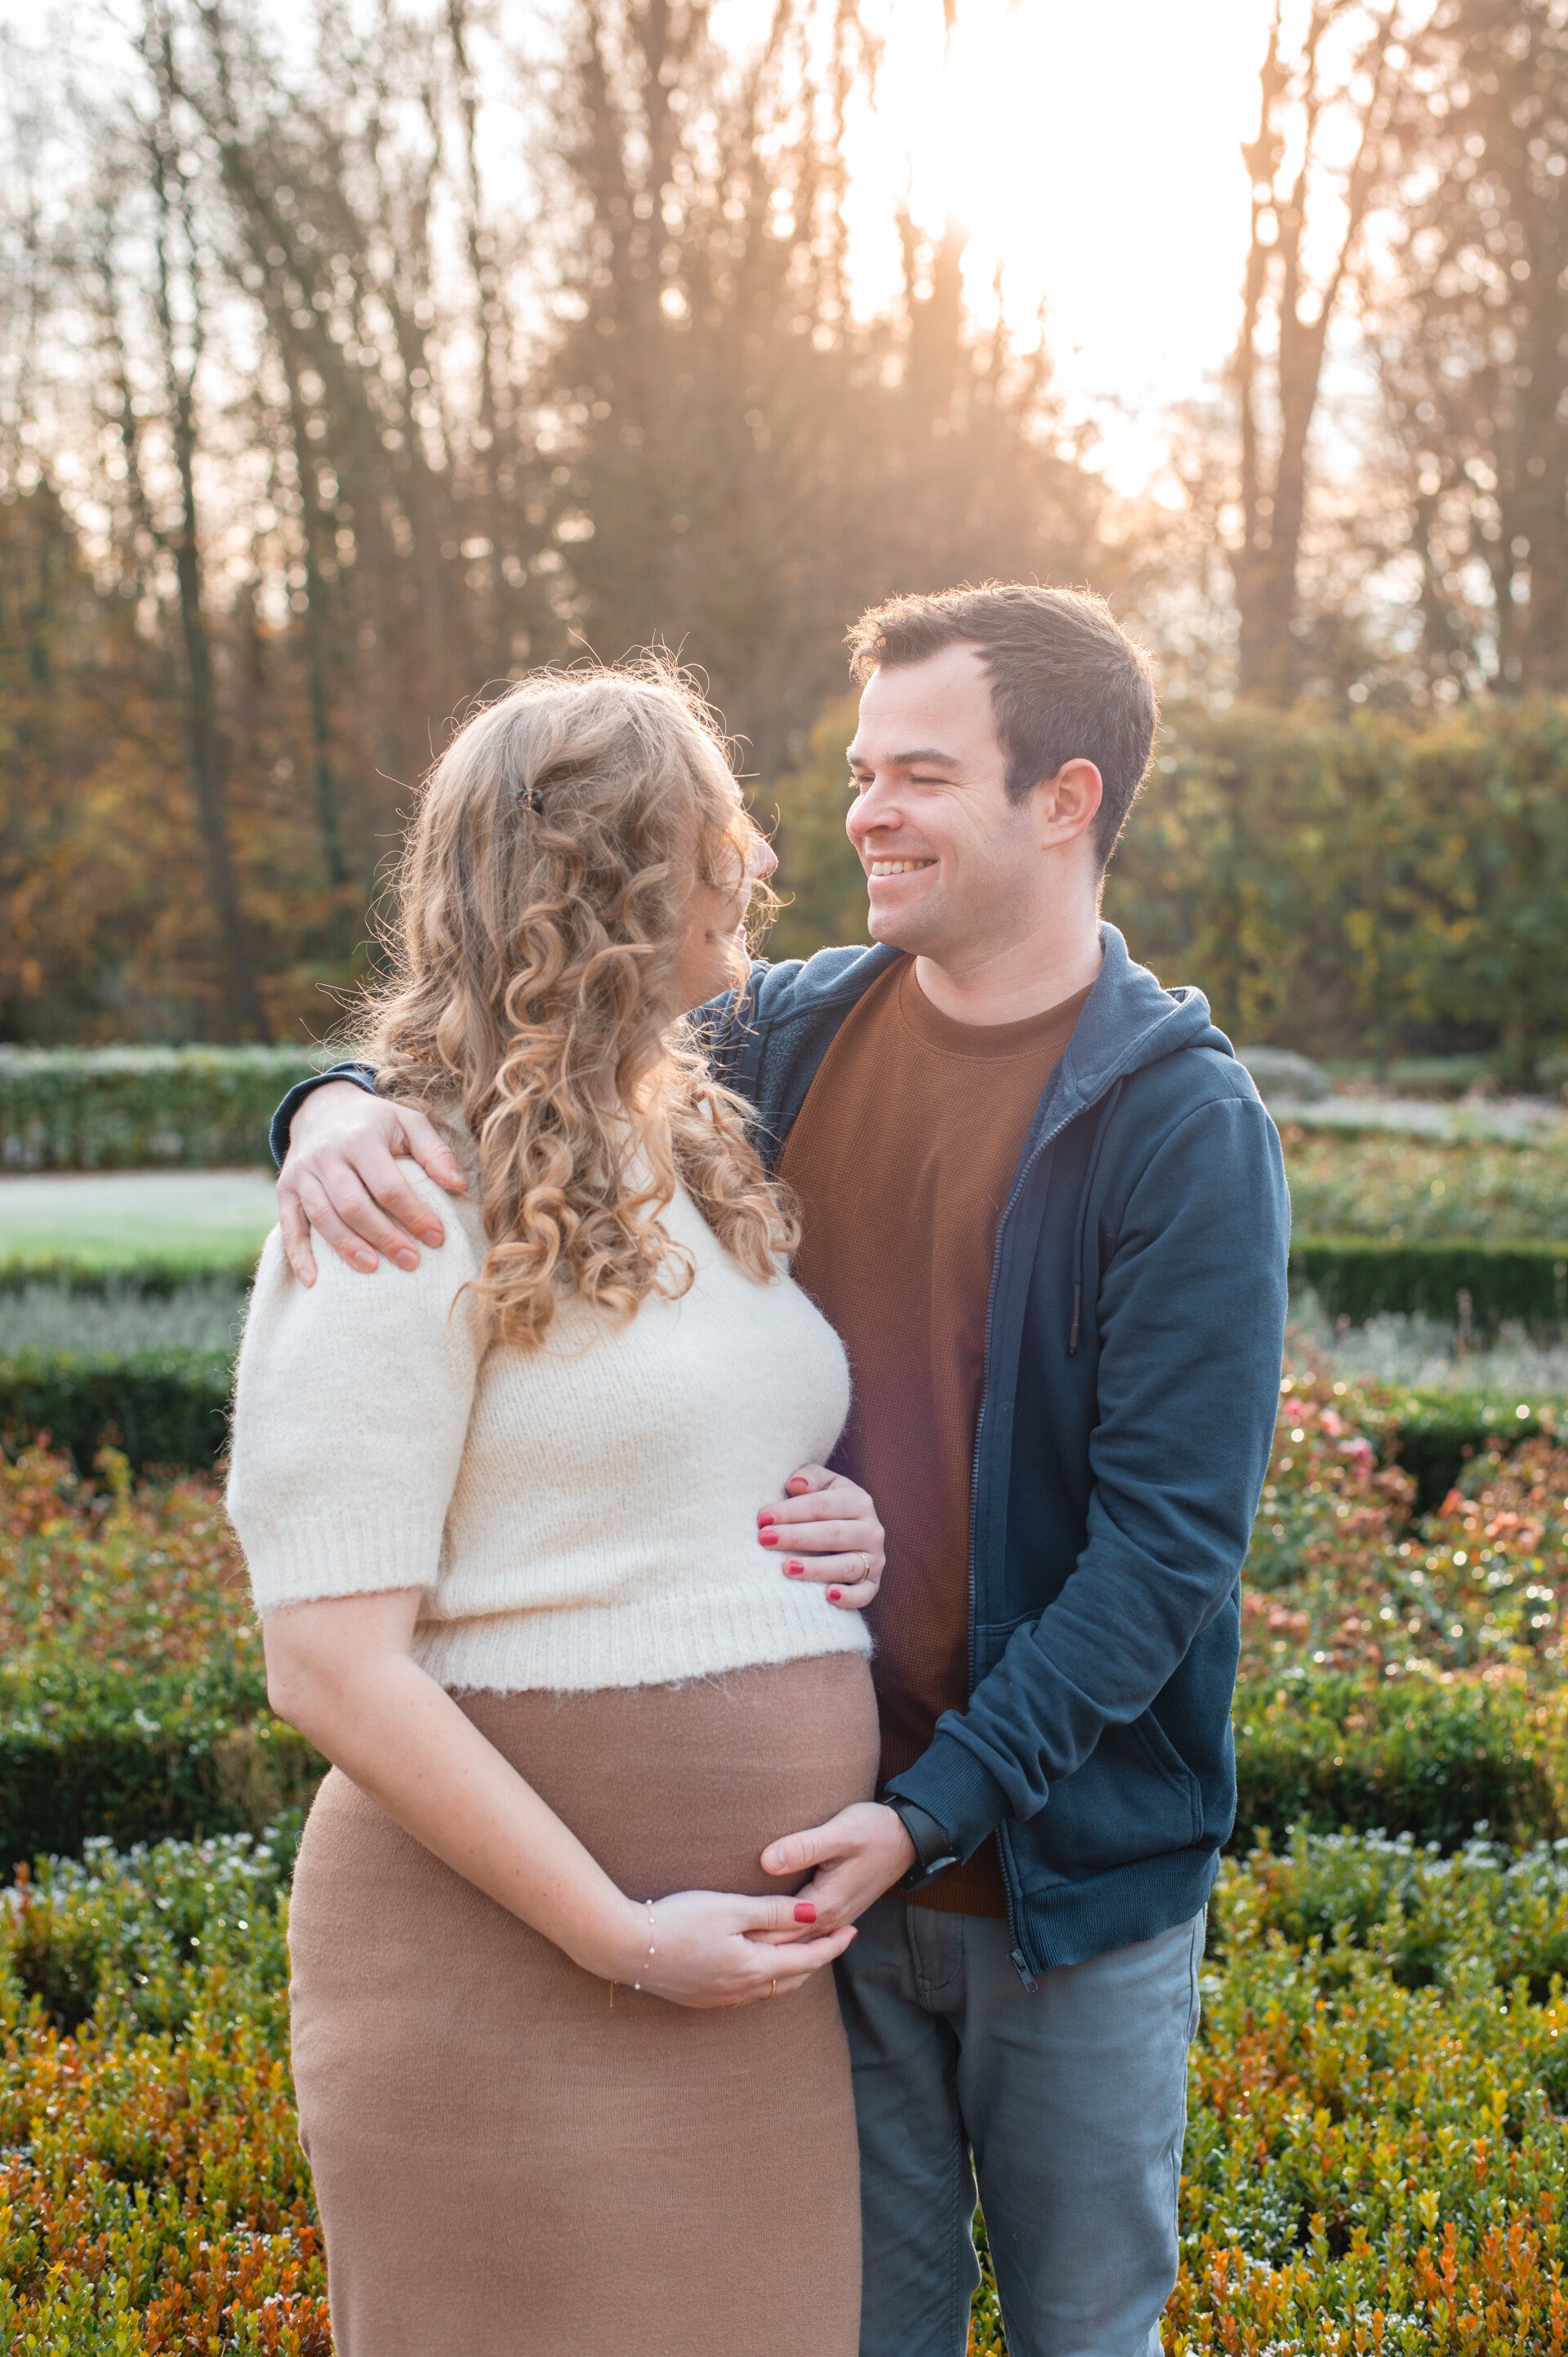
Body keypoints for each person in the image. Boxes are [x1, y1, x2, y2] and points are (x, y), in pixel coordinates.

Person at [270, 585, 1292, 2357]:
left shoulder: (1182, 1124)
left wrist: (931, 1812)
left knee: (1078, 2330)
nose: (852, 818)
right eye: (851, 771)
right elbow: (520, 1014)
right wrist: (329, 1105)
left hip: (1046, 1879)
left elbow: (1166, 1557)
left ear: (1065, 801)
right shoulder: (783, 1039)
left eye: (918, 774)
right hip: (807, 1891)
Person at [226, 662, 898, 2357]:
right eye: (712, 831)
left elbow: (673, 1470)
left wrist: (839, 1545)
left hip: (738, 1984)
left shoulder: (694, 1142)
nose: (753, 859)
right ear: (607, 876)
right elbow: (325, 1662)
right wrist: (618, 1937)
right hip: (518, 1972)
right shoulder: (394, 1188)